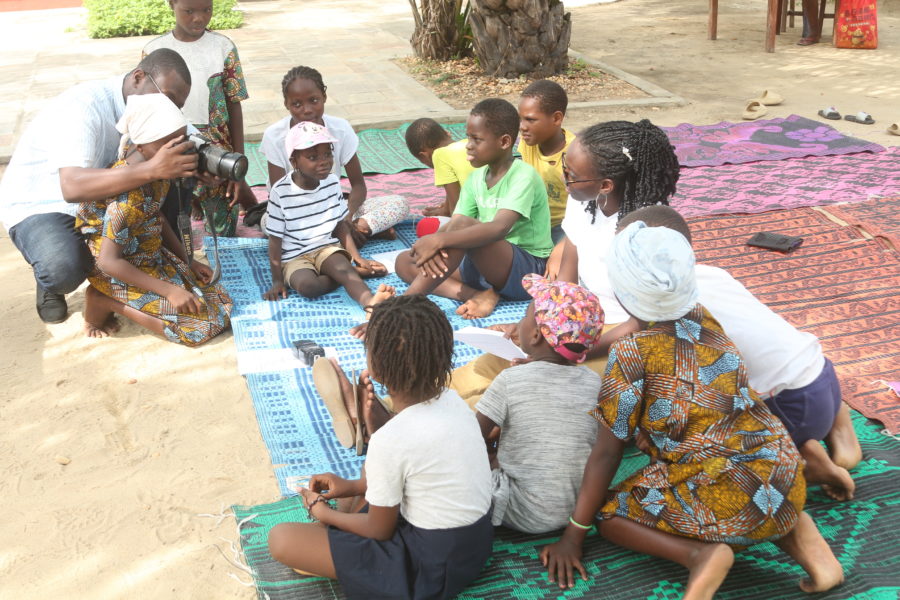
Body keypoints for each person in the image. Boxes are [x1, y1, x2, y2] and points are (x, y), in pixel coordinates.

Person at [541, 222, 845, 598]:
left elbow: (607, 453)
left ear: (622, 292)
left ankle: (700, 556)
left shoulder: (633, 353)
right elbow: (653, 334)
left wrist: (574, 533)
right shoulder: (703, 316)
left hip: (730, 491)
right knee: (754, 485)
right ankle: (806, 542)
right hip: (783, 467)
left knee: (610, 513)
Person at [617, 204, 861, 500]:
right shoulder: (709, 274)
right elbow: (633, 325)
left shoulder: (676, 323)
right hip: (820, 375)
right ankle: (837, 431)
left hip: (788, 406)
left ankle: (803, 464)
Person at [268, 295, 494, 599]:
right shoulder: (454, 403)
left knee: (281, 538)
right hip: (474, 549)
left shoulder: (393, 440)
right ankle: (341, 534)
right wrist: (348, 486)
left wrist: (324, 514)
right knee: (369, 470)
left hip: (430, 568)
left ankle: (338, 540)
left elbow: (380, 530)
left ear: (375, 366)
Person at [0, 49, 198, 324]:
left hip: (106, 198)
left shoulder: (154, 109)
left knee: (180, 173)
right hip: (47, 203)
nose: (170, 108)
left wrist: (209, 167)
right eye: (167, 97)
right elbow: (72, 188)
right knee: (63, 267)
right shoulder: (83, 106)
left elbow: (189, 140)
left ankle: (140, 268)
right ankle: (50, 283)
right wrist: (153, 169)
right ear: (139, 77)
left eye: (177, 105)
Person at [370, 98, 551, 330]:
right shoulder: (477, 177)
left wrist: (439, 239)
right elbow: (455, 223)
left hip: (524, 272)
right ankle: (480, 294)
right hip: (485, 266)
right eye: (468, 137)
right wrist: (430, 247)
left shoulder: (523, 175)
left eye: (477, 139)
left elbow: (498, 229)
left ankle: (404, 306)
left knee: (463, 229)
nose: (468, 145)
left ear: (504, 141)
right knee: (405, 261)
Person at [76, 94, 232, 346]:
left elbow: (155, 216)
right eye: (169, 144)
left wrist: (187, 261)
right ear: (141, 146)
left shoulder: (158, 171)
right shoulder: (127, 198)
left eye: (182, 141)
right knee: (197, 330)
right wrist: (169, 290)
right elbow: (108, 261)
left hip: (145, 253)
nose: (179, 150)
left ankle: (123, 297)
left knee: (222, 303)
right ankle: (101, 300)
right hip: (116, 269)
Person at [476, 274, 604, 534]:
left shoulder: (512, 379)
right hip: (578, 508)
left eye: (524, 316)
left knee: (459, 461)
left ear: (535, 335)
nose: (519, 322)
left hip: (524, 511)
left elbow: (470, 437)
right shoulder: (594, 382)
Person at [143, 0, 256, 237]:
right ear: (172, 4)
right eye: (189, 11)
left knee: (222, 233)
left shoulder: (223, 47)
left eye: (207, 9)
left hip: (218, 157)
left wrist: (238, 162)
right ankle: (192, 202)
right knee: (172, 228)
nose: (199, 18)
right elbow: (147, 110)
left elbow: (234, 105)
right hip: (176, 154)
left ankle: (224, 202)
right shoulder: (155, 51)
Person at [260, 66, 410, 242]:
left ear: (324, 96)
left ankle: (352, 229)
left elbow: (359, 186)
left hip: (335, 208)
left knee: (399, 204)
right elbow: (280, 196)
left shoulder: (341, 129)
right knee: (269, 224)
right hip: (294, 212)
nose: (307, 110)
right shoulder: (275, 136)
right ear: (286, 104)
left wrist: (346, 217)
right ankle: (355, 233)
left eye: (314, 100)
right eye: (297, 104)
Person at [262, 121, 395, 308]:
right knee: (308, 287)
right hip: (295, 256)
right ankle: (350, 273)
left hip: (326, 248)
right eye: (313, 157)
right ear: (294, 162)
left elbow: (340, 225)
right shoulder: (280, 191)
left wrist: (357, 257)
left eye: (327, 154)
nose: (324, 161)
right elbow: (275, 240)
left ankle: (370, 302)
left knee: (343, 268)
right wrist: (277, 281)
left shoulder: (331, 182)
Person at [517, 79, 573, 247]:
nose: (522, 127)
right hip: (533, 221)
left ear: (556, 118)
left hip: (562, 227)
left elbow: (584, 211)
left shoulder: (575, 155)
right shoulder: (528, 144)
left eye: (530, 120)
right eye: (520, 119)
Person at [404, 117, 474, 217]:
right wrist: (446, 209)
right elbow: (454, 184)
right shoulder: (470, 143)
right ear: (447, 133)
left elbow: (457, 211)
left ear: (425, 155)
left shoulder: (439, 156)